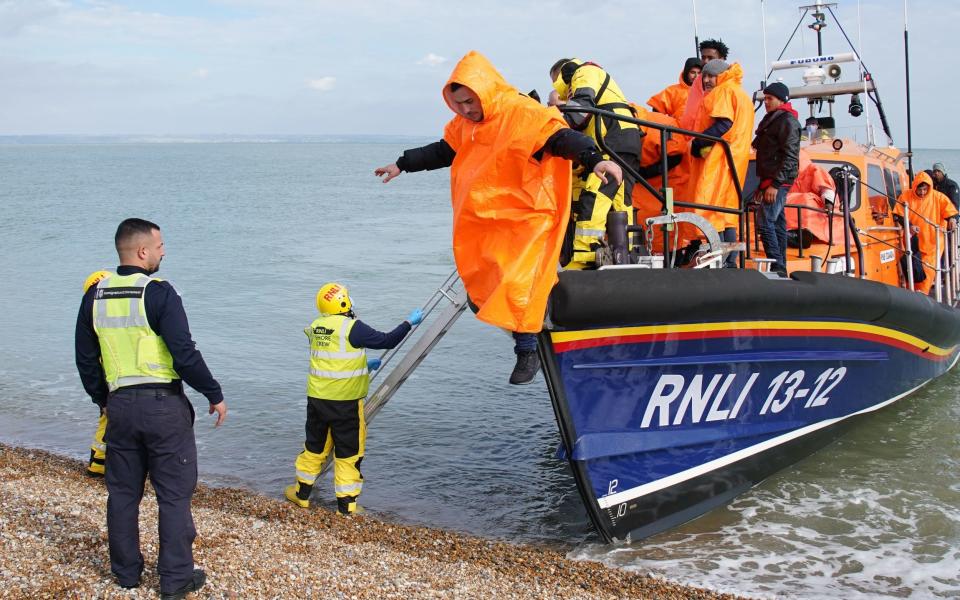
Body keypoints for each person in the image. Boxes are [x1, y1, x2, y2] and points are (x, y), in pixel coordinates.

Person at [374, 51, 622, 385]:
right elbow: (444, 151)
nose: (465, 110)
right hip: (488, 216)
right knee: (477, 264)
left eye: (469, 102)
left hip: (528, 214)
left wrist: (595, 160)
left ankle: (527, 350)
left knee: (520, 280)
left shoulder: (523, 113)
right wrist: (402, 164)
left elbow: (562, 138)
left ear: (486, 91)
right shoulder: (466, 125)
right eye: (458, 104)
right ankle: (504, 321)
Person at [75, 218, 226, 599]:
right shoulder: (159, 292)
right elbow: (184, 353)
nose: (163, 251)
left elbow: (85, 358)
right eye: (159, 245)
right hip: (163, 407)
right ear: (143, 251)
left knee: (123, 494)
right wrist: (213, 393)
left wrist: (104, 400)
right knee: (173, 495)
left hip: (120, 405)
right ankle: (175, 581)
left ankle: (126, 574)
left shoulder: (95, 294)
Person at [284, 282, 423, 514]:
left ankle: (301, 494)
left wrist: (364, 366)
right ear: (343, 302)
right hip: (345, 404)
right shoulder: (352, 327)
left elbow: (331, 360)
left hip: (317, 400)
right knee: (349, 452)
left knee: (314, 447)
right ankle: (346, 506)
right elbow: (386, 341)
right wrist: (409, 323)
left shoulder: (317, 326)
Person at [549, 57, 642, 270]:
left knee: (595, 191)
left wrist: (556, 118)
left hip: (613, 138)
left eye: (555, 81)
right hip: (624, 139)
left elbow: (581, 107)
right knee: (620, 199)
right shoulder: (595, 77)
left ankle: (585, 256)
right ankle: (625, 252)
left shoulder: (584, 72)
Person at [684, 59, 754, 267]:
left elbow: (724, 123)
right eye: (704, 76)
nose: (705, 80)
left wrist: (698, 141)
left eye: (710, 76)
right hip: (736, 159)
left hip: (721, 159)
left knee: (712, 207)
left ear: (721, 76)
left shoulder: (723, 91)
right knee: (727, 212)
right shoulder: (740, 94)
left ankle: (720, 259)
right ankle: (730, 260)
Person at [751, 82, 801, 276]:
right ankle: (781, 263)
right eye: (765, 98)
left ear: (782, 99)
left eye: (770, 98)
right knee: (778, 223)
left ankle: (776, 264)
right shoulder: (775, 120)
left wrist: (775, 184)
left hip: (777, 181)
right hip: (771, 180)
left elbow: (790, 156)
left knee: (764, 222)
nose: (766, 102)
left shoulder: (786, 121)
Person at [894, 172, 958, 294]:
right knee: (912, 271)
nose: (922, 192)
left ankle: (923, 295)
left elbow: (952, 213)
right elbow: (898, 214)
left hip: (933, 244)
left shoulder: (939, 197)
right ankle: (911, 296)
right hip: (912, 242)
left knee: (927, 273)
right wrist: (910, 226)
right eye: (920, 189)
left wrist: (953, 219)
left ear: (929, 187)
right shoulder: (905, 196)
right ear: (915, 187)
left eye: (925, 189)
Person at [82, 269, 113, 477]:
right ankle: (98, 465)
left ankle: (97, 462)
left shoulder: (91, 312)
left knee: (106, 418)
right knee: (107, 419)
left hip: (104, 376)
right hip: (109, 376)